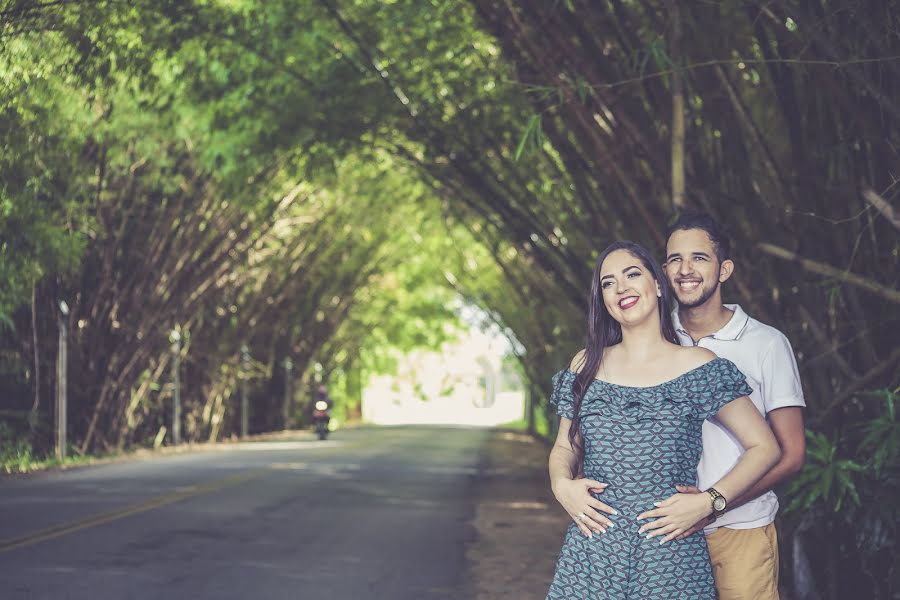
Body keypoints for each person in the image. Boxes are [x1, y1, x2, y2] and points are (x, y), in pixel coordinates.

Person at [546, 240, 781, 599]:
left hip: (670, 554)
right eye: (608, 283)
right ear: (603, 301)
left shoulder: (699, 366)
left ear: (657, 284)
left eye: (632, 274)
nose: (621, 287)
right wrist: (562, 485)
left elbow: (764, 447)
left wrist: (710, 501)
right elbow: (565, 446)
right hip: (593, 548)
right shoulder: (585, 364)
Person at [646, 211, 806, 599]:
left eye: (699, 258)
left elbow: (792, 454)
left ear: (725, 269)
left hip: (743, 531)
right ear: (664, 271)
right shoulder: (652, 338)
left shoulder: (766, 344)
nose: (685, 269)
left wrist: (712, 504)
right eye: (674, 259)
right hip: (666, 534)